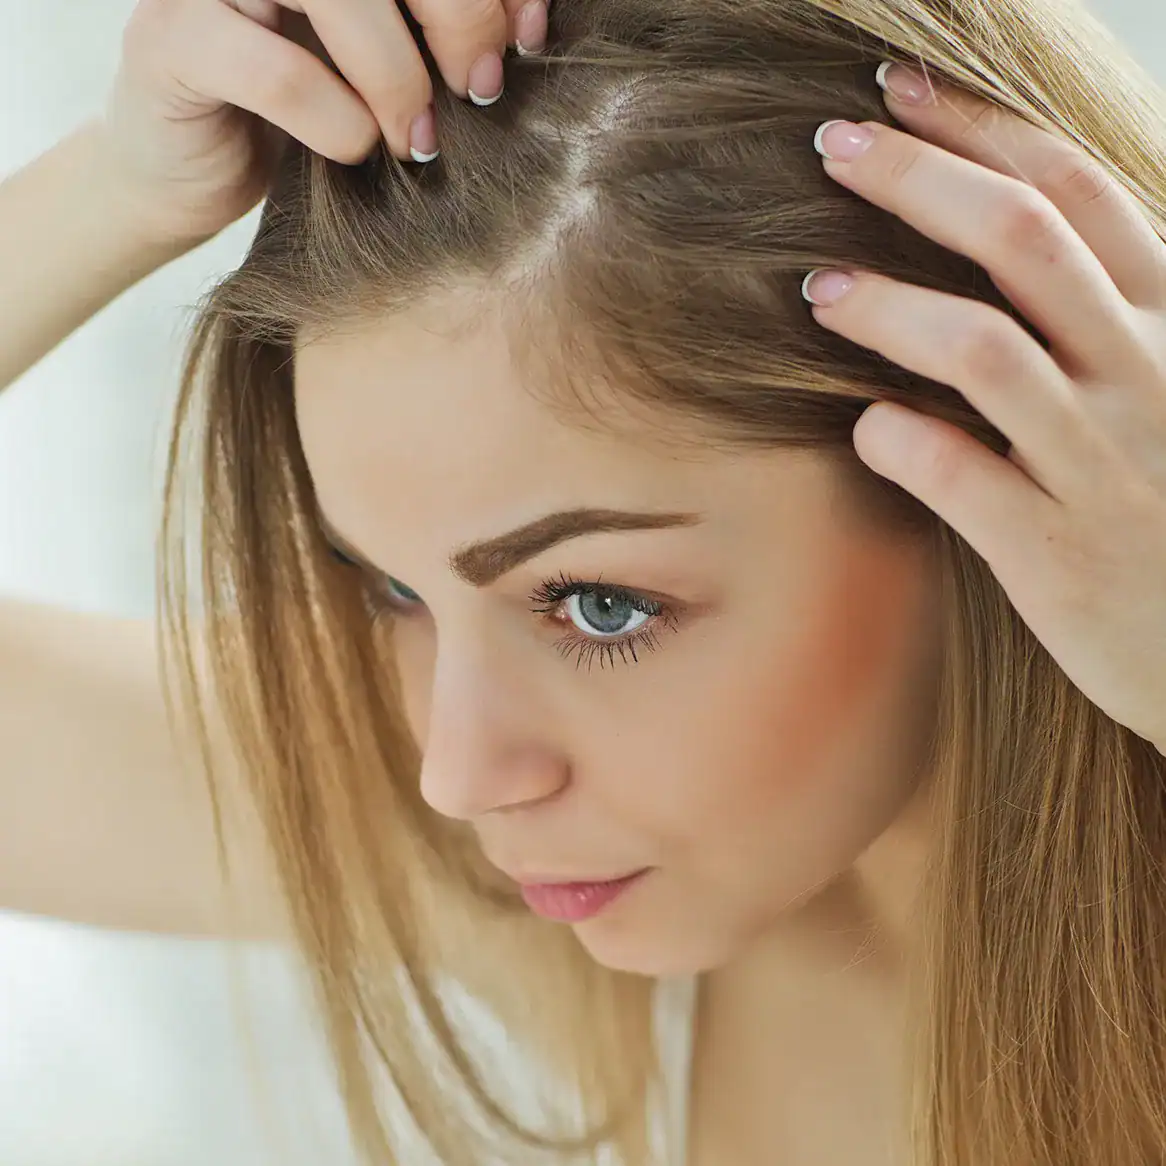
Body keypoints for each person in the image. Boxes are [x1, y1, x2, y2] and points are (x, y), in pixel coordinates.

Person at [3, 0, 1166, 1162]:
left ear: (1011, 478)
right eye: (392, 590)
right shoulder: (520, 863)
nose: (457, 774)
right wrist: (118, 187)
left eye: (598, 605)